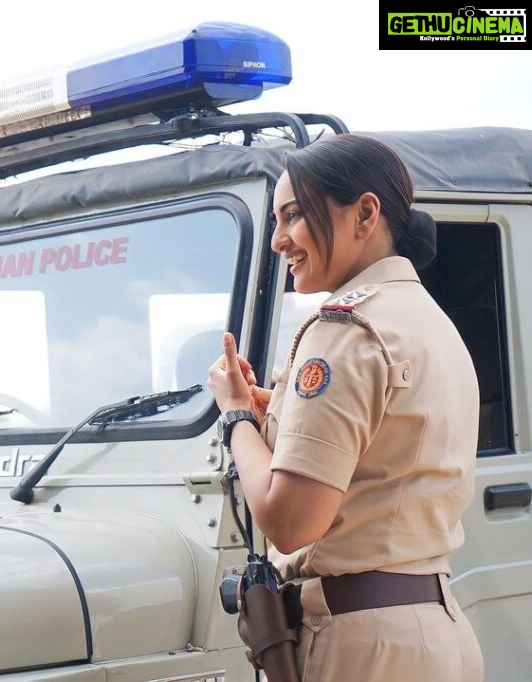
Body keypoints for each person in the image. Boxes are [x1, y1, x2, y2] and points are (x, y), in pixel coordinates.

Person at [207, 134, 483, 681]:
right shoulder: (429, 321)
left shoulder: (344, 330)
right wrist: (276, 414)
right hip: (435, 631)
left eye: (293, 216)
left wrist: (237, 413)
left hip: (362, 645)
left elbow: (291, 521)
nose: (278, 240)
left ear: (364, 214)